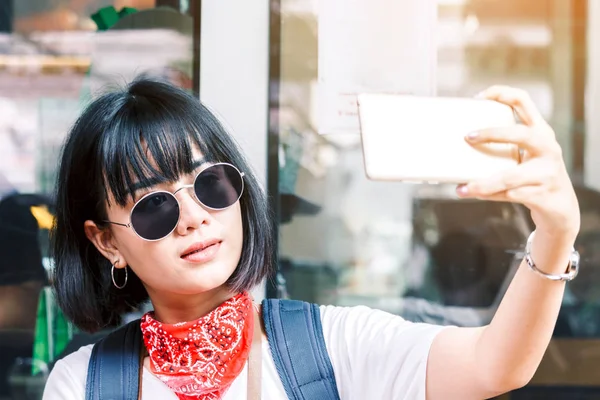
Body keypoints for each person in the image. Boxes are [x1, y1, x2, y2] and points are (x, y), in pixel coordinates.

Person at [42, 77, 580, 400]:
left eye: (210, 184)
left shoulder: (327, 347)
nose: (192, 217)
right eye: (153, 205)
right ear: (106, 241)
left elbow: (495, 365)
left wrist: (556, 233)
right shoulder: (81, 384)